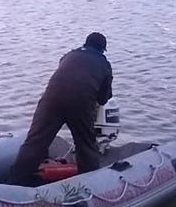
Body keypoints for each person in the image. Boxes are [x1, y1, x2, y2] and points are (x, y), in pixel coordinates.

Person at [7, 33, 114, 186]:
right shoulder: (104, 64)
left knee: (35, 141)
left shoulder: (69, 55)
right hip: (80, 104)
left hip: (50, 100)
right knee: (86, 144)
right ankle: (91, 184)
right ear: (102, 49)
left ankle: (15, 181)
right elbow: (103, 98)